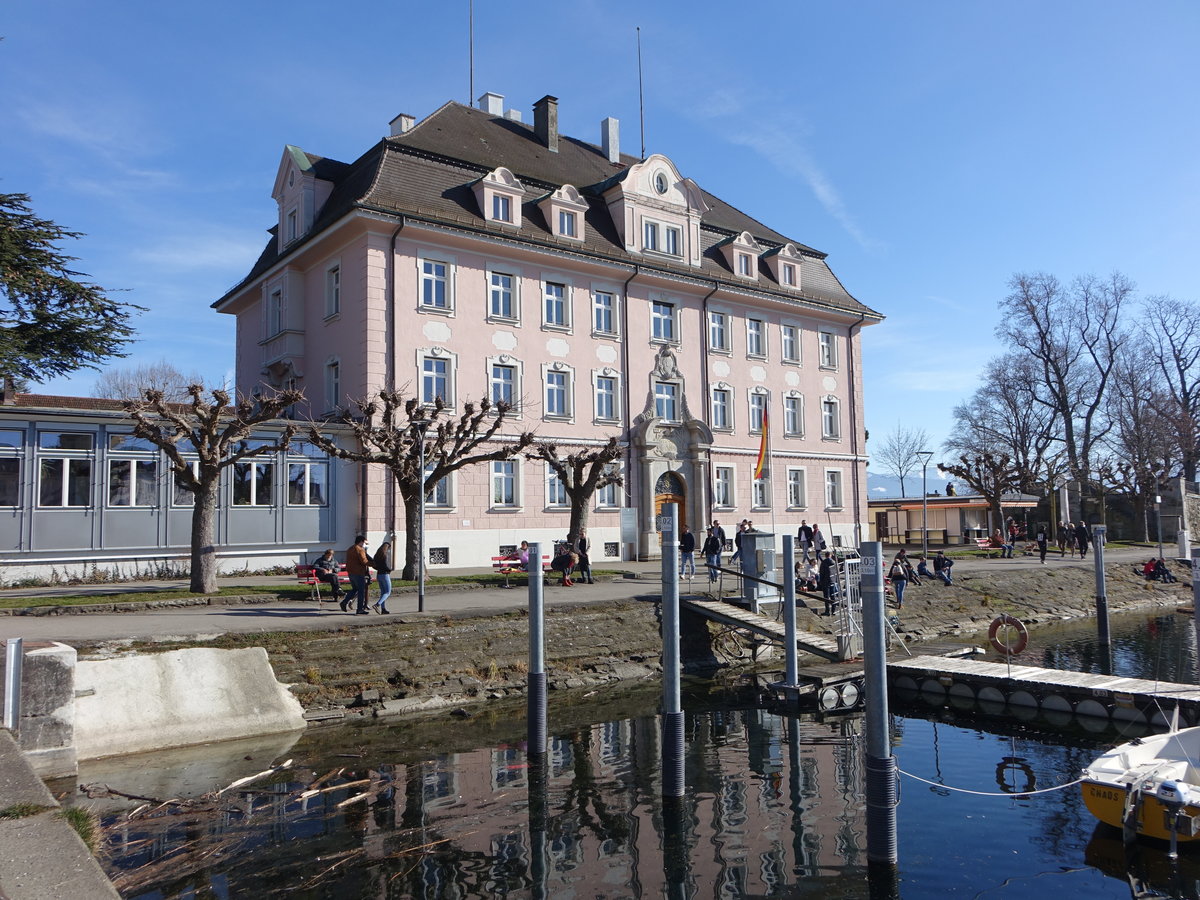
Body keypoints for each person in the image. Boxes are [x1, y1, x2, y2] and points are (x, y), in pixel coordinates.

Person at [343, 535, 372, 614]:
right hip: (359, 572)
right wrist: (374, 564)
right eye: (364, 542)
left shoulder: (350, 549)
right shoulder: (360, 550)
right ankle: (359, 609)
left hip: (351, 572)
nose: (364, 544)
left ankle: (344, 602)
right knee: (361, 591)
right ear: (361, 541)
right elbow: (364, 561)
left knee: (354, 589)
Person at [371, 541, 393, 614]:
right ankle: (377, 604)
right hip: (385, 575)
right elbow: (385, 566)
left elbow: (374, 565)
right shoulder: (384, 555)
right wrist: (389, 570)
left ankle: (383, 609)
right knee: (387, 592)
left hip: (379, 575)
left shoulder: (377, 555)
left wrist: (378, 568)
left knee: (383, 592)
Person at [818, 550, 839, 615]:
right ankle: (833, 610)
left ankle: (827, 611)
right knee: (833, 596)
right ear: (831, 555)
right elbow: (837, 572)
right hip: (833, 581)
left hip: (825, 581)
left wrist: (820, 581)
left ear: (825, 555)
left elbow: (822, 573)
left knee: (826, 597)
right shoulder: (834, 562)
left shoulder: (824, 562)